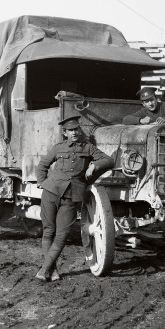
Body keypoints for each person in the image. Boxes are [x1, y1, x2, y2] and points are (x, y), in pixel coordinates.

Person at [35, 115, 114, 282]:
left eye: (76, 129)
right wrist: (42, 183)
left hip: (72, 197)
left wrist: (94, 165)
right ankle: (52, 269)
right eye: (70, 130)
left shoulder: (88, 148)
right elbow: (42, 165)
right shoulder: (58, 148)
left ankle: (43, 270)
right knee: (49, 231)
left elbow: (109, 160)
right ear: (65, 133)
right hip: (50, 193)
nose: (74, 133)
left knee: (62, 235)